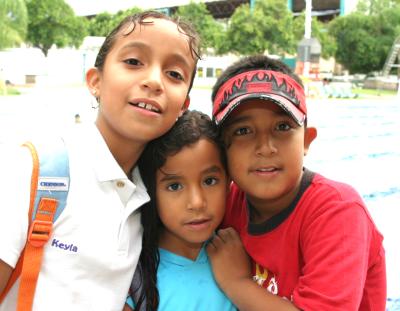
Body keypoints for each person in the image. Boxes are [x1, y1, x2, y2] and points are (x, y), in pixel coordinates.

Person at [0, 11, 200, 310]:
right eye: (134, 62)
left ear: (182, 107)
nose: (153, 80)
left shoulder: (152, 198)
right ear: (95, 81)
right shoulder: (34, 171)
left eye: (174, 74)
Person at [206, 55, 386, 311]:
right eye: (243, 131)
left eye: (282, 126)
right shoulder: (225, 202)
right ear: (222, 149)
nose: (265, 148)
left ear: (306, 141)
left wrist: (236, 282)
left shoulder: (337, 211)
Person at [124, 110, 237, 311]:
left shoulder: (240, 253)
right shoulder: (133, 278)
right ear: (149, 191)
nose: (197, 202)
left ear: (229, 182)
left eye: (210, 181)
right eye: (174, 186)